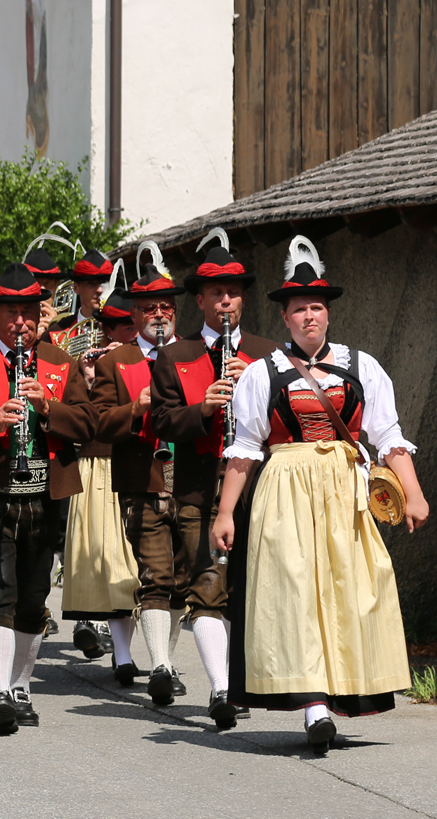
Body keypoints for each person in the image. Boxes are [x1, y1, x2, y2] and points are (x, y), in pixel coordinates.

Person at [211, 237, 429, 752]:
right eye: (299, 309)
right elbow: (244, 448)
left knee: (349, 589)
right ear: (284, 319)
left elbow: (388, 436)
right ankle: (313, 707)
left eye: (317, 307)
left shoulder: (363, 366)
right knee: (294, 592)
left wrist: (414, 495)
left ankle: (337, 692)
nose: (309, 317)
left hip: (346, 494)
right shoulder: (263, 374)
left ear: (326, 315)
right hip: (285, 491)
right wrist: (225, 512)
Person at [0, 263, 94, 733]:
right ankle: (1, 690)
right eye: (11, 313)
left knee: (32, 599)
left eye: (28, 312)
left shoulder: (60, 361)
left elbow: (89, 424)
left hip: (44, 496)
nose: (21, 322)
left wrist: (48, 408)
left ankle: (21, 685)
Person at [148, 230, 279, 727]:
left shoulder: (269, 353)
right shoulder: (175, 356)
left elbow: (287, 419)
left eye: (234, 292)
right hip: (200, 487)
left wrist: (257, 390)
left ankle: (254, 680)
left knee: (253, 589)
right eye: (216, 294)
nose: (226, 301)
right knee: (206, 586)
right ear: (199, 300)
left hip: (259, 488)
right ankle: (221, 689)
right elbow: (160, 421)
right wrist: (202, 409)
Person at [90, 247, 188, 702]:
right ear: (134, 314)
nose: (159, 314)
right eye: (150, 307)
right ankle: (162, 667)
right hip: (140, 477)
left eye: (167, 306)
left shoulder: (194, 355)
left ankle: (163, 661)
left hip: (191, 479)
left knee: (185, 580)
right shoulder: (118, 361)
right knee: (155, 575)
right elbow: (97, 423)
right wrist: (137, 407)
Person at [63, 287, 143, 682]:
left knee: (144, 567)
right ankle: (124, 655)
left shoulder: (150, 358)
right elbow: (81, 416)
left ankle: (155, 654)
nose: (122, 334)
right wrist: (87, 375)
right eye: (114, 326)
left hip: (143, 464)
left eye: (129, 325)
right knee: (111, 563)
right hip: (99, 464)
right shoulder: (89, 362)